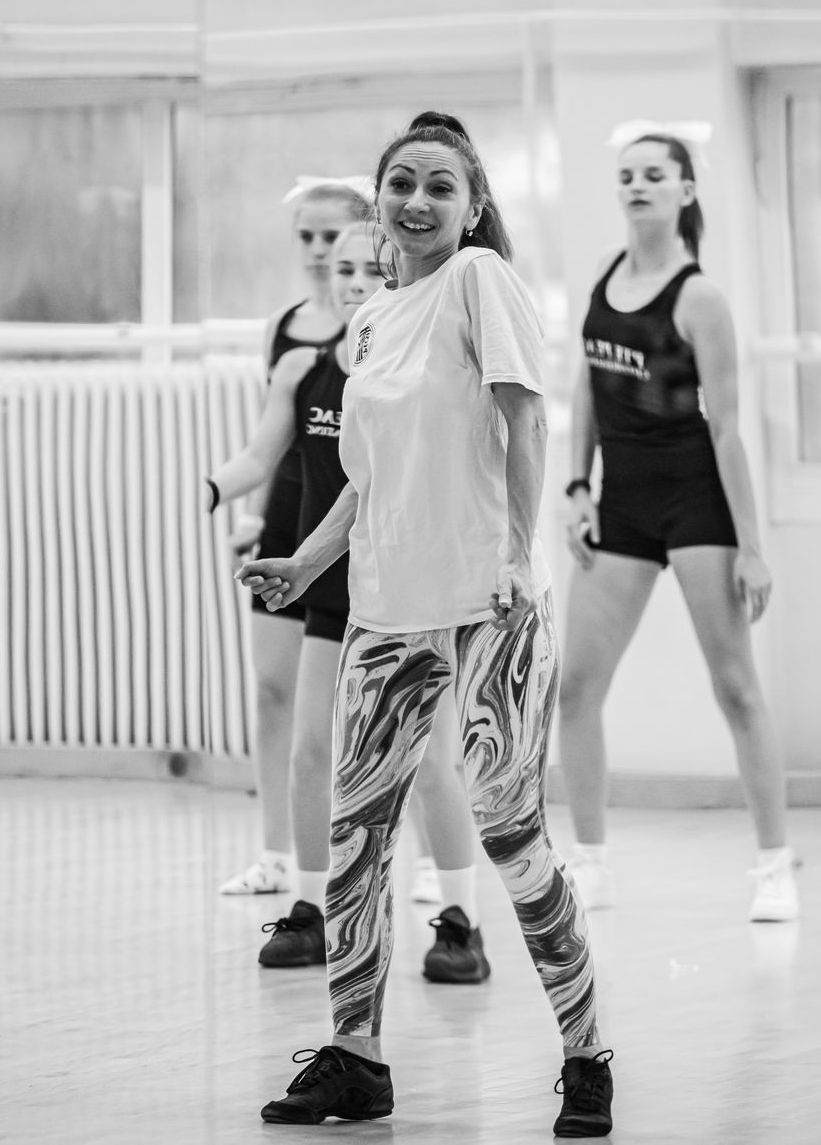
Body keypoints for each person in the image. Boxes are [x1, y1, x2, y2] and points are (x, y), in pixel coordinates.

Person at [240, 112, 614, 1137]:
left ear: (473, 205)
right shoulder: (370, 320)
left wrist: (516, 554)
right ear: (380, 198)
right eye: (400, 182)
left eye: (440, 186)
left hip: (489, 600)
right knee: (356, 836)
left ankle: (585, 1054)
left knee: (511, 830)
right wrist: (305, 562)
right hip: (386, 607)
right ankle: (356, 1057)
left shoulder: (479, 281)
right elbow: (369, 479)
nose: (416, 200)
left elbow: (526, 417)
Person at [206, 223, 493, 983]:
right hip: (332, 584)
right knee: (311, 747)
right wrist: (211, 492)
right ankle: (311, 909)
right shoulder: (307, 369)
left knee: (429, 759)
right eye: (342, 269)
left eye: (372, 268)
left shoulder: (420, 360)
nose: (356, 282)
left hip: (414, 583)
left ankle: (461, 923)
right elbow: (270, 457)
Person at [558, 128, 796, 922]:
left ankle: (774, 865)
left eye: (654, 175)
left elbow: (727, 430)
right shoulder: (603, 275)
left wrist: (751, 548)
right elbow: (587, 389)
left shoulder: (700, 299)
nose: (637, 186)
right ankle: (591, 862)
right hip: (620, 502)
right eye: (627, 175)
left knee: (735, 686)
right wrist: (576, 485)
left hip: (695, 500)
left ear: (685, 191)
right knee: (575, 688)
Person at [218, 178, 372, 898]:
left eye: (330, 236)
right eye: (306, 237)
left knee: (374, 706)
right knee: (274, 689)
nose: (316, 250)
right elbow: (273, 443)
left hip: (350, 520)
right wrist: (250, 515)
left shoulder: (384, 331)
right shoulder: (285, 333)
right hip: (288, 514)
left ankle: (423, 862)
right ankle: (278, 853)